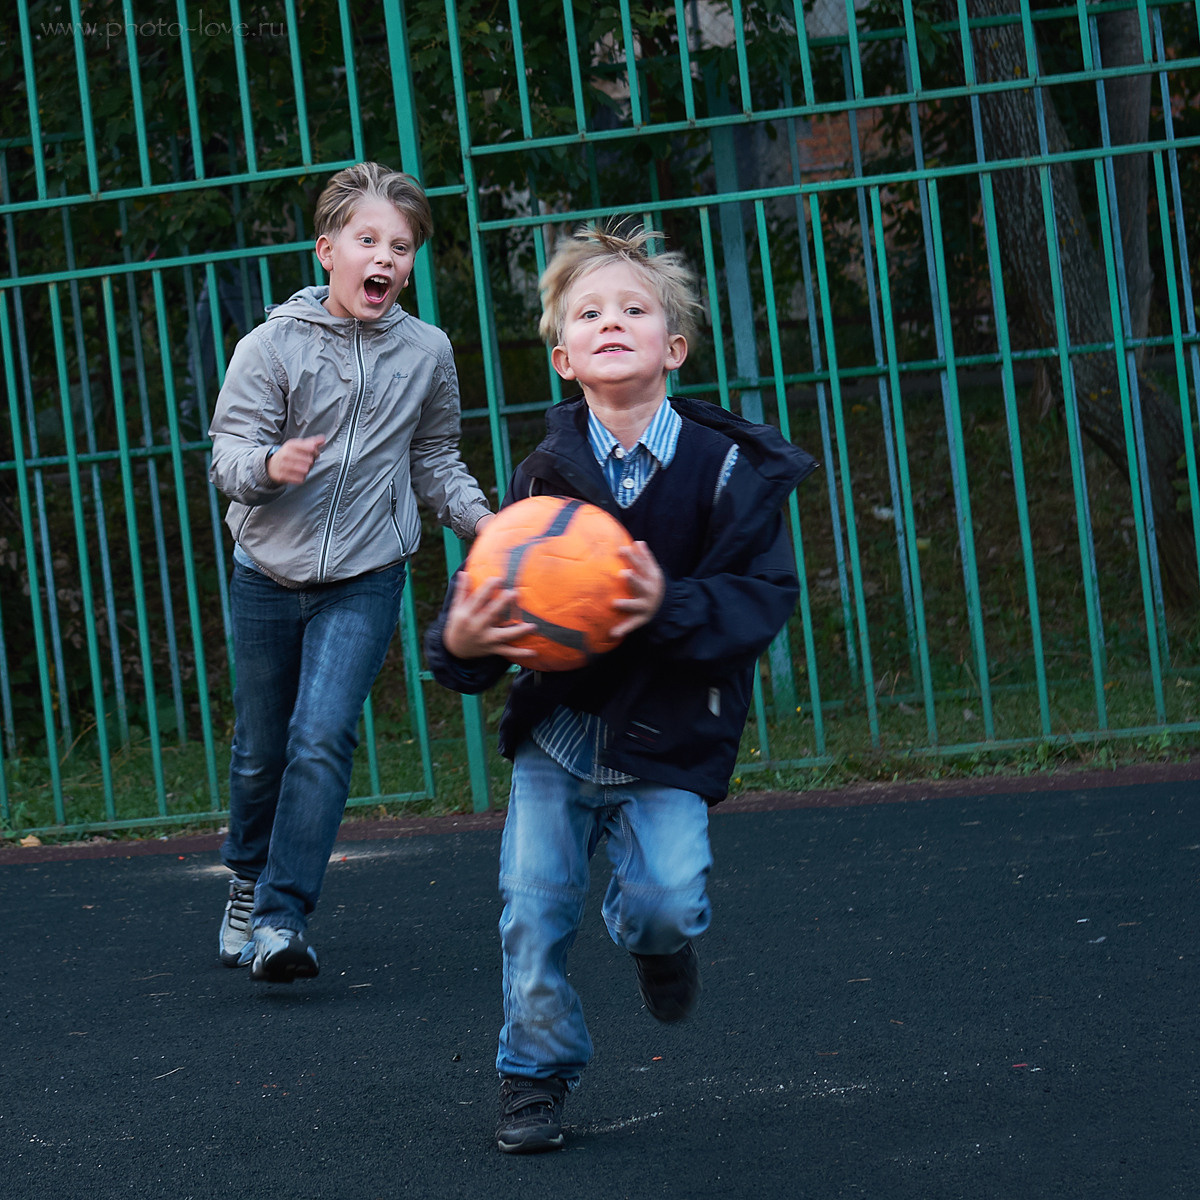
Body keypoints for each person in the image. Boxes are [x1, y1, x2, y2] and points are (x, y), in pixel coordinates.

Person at [423, 224, 817, 1152]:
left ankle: (654, 944)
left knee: (667, 901)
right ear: (565, 358)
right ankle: (534, 1073)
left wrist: (661, 603)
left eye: (634, 309)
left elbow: (760, 603)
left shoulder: (730, 474)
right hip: (563, 739)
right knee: (531, 914)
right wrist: (464, 640)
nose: (612, 322)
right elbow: (483, 601)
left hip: (670, 740)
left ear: (673, 347)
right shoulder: (544, 480)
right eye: (589, 313)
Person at [208, 162, 493, 984]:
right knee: (262, 748)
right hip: (266, 569)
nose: (386, 258)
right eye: (369, 240)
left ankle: (280, 918)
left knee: (322, 734)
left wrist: (482, 521)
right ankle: (245, 879)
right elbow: (228, 458)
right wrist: (271, 465)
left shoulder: (426, 352)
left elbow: (436, 457)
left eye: (400, 247)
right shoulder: (270, 346)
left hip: (368, 572)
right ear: (328, 250)